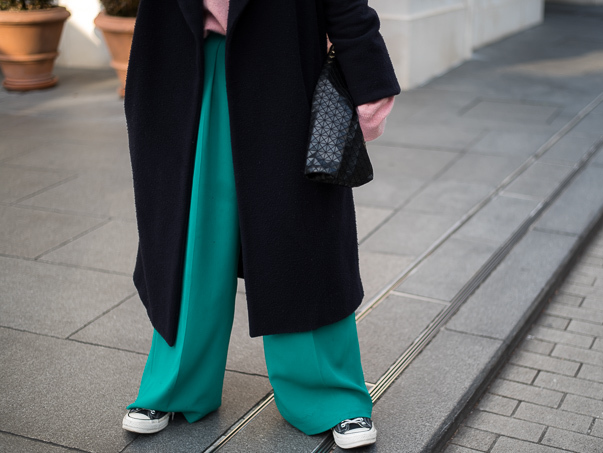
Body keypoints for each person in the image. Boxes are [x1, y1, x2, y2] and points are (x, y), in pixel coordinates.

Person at [121, 0, 399, 449]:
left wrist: (367, 70)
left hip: (284, 65)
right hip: (185, 61)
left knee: (297, 233)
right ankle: (175, 383)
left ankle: (329, 393)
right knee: (190, 233)